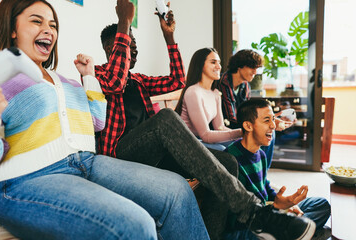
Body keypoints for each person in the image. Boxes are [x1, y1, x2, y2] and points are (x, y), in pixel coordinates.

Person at [94, 2, 318, 238]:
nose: (133, 50)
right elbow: (115, 81)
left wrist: (168, 37)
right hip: (119, 156)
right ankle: (254, 212)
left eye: (135, 46)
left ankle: (214, 234)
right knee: (165, 117)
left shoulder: (138, 81)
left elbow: (177, 81)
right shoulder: (98, 75)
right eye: (128, 45)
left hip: (153, 155)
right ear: (111, 48)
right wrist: (125, 22)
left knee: (229, 163)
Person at [0, 0, 211, 239]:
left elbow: (96, 122)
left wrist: (88, 79)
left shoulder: (66, 81)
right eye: (37, 21)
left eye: (53, 25)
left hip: (87, 162)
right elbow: (116, 81)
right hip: (34, 174)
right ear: (12, 29)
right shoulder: (2, 78)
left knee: (178, 191)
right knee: (135, 225)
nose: (48, 30)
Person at [225, 99, 330, 239]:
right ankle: (305, 232)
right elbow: (238, 213)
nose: (273, 125)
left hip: (269, 212)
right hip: (250, 224)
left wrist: (287, 203)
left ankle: (300, 232)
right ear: (248, 126)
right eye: (267, 120)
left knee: (321, 204)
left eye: (273, 119)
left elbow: (265, 188)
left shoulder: (261, 154)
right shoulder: (230, 160)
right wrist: (276, 208)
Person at [217, 49, 294, 166]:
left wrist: (269, 121)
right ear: (239, 66)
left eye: (257, 68)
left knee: (270, 131)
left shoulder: (245, 86)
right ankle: (256, 171)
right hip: (226, 128)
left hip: (240, 124)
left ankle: (262, 173)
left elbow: (248, 112)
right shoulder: (223, 82)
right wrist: (261, 123)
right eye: (252, 67)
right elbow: (232, 118)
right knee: (264, 131)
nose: (255, 71)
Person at [174, 48, 242, 151]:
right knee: (223, 150)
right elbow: (205, 135)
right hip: (187, 142)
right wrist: (240, 132)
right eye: (213, 62)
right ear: (200, 65)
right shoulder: (193, 92)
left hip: (200, 140)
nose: (219, 67)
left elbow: (220, 127)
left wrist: (244, 136)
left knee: (243, 146)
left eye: (219, 62)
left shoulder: (215, 93)